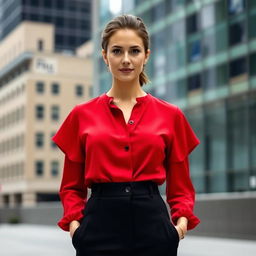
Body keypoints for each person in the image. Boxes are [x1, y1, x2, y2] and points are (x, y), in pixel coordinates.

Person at [52, 14, 201, 256]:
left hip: (154, 228)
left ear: (146, 56)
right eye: (117, 51)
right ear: (104, 56)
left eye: (134, 51)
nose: (126, 60)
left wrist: (179, 226)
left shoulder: (171, 115)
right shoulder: (81, 115)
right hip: (98, 229)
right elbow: (71, 186)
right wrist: (75, 227)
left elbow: (181, 186)